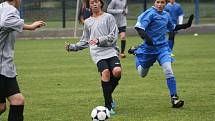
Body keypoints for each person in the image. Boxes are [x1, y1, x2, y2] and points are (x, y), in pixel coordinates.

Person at [128, 0, 193, 108]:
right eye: (158, 2)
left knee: (168, 70)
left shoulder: (166, 14)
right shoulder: (149, 13)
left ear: (165, 3)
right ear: (154, 2)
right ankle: (137, 53)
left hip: (163, 48)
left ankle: (174, 98)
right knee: (142, 74)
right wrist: (147, 39)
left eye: (162, 2)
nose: (160, 4)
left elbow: (172, 27)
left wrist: (186, 25)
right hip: (149, 50)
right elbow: (139, 27)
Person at [65, 0, 121, 115]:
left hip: (110, 50)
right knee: (105, 72)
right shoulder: (88, 22)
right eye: (92, 2)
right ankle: (108, 106)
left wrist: (99, 40)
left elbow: (113, 36)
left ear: (101, 3)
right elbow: (85, 40)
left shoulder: (109, 17)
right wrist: (72, 47)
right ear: (89, 6)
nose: (94, 4)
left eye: (96, 2)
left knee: (117, 72)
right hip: (97, 52)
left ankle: (108, 96)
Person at [0, 0, 45, 120]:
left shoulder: (2, 7)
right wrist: (30, 26)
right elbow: (5, 22)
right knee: (1, 106)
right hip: (1, 67)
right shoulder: (10, 9)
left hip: (6, 67)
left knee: (17, 100)